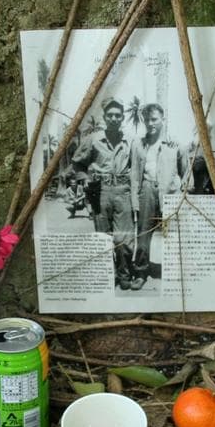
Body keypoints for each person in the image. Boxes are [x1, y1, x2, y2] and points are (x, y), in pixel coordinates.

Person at [70, 97, 137, 290]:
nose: (114, 118)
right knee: (103, 238)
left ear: (122, 117)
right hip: (100, 192)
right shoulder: (93, 140)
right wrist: (86, 180)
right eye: (110, 115)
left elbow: (135, 166)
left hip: (123, 192)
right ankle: (110, 274)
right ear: (105, 118)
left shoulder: (129, 141)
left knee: (124, 239)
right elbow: (77, 162)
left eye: (118, 115)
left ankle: (125, 274)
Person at [129, 103, 187, 290]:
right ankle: (140, 272)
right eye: (147, 120)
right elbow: (134, 175)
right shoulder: (138, 144)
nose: (150, 123)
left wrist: (179, 192)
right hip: (146, 190)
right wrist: (134, 201)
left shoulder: (174, 144)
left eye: (154, 119)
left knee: (173, 234)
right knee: (144, 233)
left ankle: (177, 272)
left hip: (169, 193)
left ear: (163, 120)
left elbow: (185, 172)